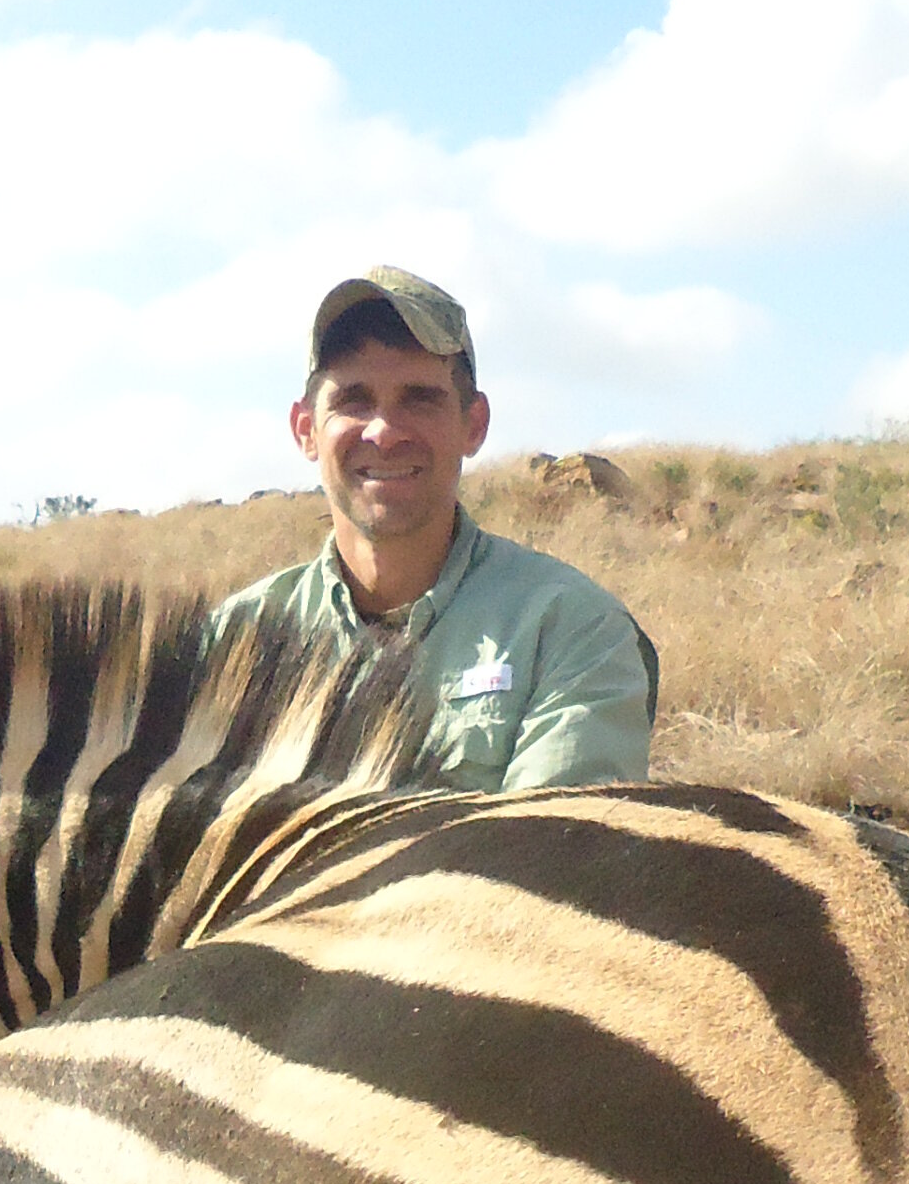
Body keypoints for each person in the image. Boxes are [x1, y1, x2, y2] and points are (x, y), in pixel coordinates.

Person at [214, 268, 656, 791]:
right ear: (306, 430)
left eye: (419, 399)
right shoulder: (232, 643)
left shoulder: (572, 631)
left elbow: (548, 853)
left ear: (475, 425)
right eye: (353, 400)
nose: (383, 432)